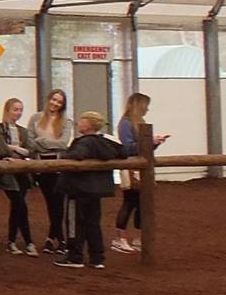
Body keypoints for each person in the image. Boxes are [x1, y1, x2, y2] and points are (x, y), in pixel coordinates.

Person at [56, 112, 123, 270]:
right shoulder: (105, 142)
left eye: (81, 120)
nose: (78, 123)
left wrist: (63, 155)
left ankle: (75, 256)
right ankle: (97, 257)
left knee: (75, 223)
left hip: (77, 189)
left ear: (87, 125)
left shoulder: (83, 142)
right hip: (95, 190)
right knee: (93, 223)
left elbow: (78, 155)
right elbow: (124, 151)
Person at [114, 93, 168, 254]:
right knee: (130, 202)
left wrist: (154, 143)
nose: (148, 109)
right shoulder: (125, 123)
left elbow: (143, 147)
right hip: (131, 166)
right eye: (146, 106)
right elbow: (127, 147)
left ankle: (138, 238)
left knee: (141, 204)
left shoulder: (140, 123)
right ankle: (120, 238)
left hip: (141, 167)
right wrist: (149, 142)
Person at [28, 89, 72, 254]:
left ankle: (54, 238)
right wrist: (49, 143)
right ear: (49, 99)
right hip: (41, 164)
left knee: (58, 202)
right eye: (54, 100)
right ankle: (57, 238)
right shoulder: (35, 118)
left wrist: (42, 142)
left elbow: (63, 143)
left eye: (59, 102)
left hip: (58, 164)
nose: (55, 104)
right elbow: (30, 143)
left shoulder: (66, 121)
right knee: (50, 202)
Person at [0, 98, 36, 255]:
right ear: (7, 110)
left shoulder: (23, 131)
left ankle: (13, 241)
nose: (18, 113)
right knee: (19, 205)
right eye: (15, 109)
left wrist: (14, 148)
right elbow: (1, 149)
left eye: (20, 110)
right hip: (8, 174)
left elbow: (31, 149)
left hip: (22, 172)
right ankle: (27, 241)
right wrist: (18, 150)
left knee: (18, 207)